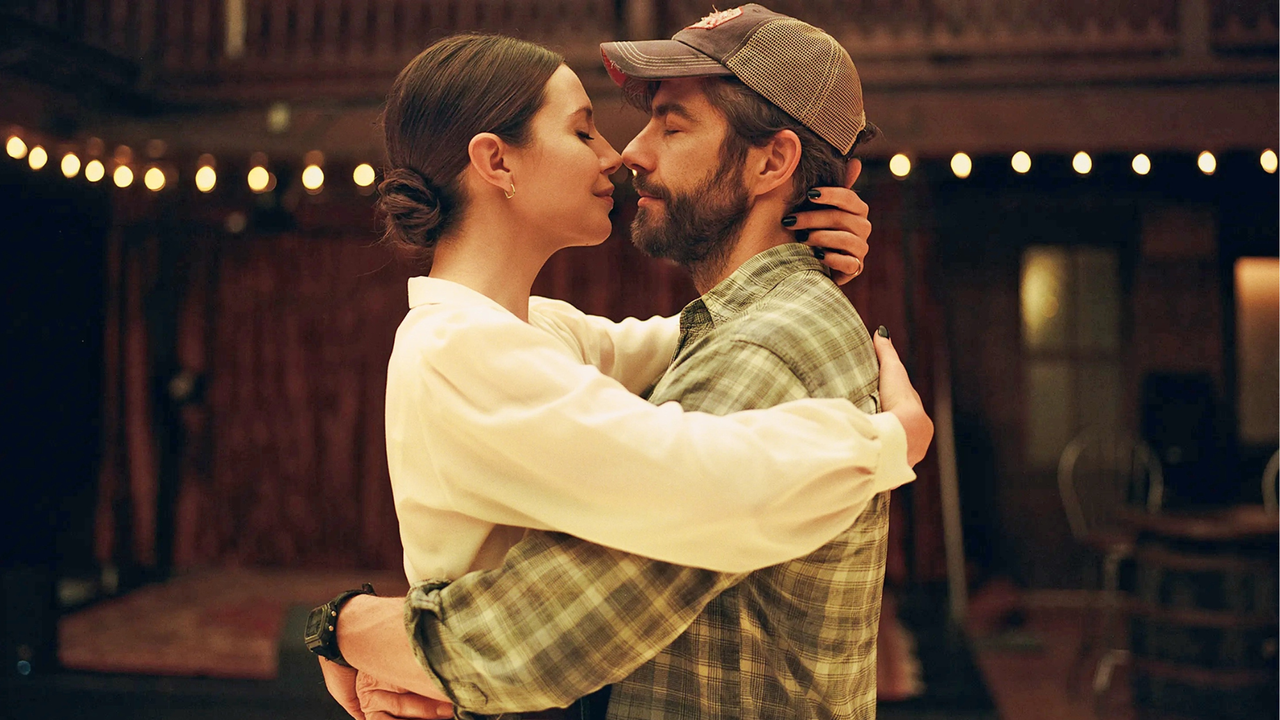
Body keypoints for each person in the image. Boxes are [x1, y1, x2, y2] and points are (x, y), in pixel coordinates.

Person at [309, 14, 933, 719]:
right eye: (583, 131)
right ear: (496, 163)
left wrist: (803, 267)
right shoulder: (464, 346)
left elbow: (680, 345)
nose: (622, 154)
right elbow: (691, 477)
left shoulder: (541, 331)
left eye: (670, 125)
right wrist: (888, 441)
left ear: (771, 163)